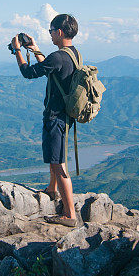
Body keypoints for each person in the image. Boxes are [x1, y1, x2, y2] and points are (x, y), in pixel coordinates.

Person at [11, 14, 80, 227]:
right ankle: (52, 189)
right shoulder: (72, 54)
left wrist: (17, 51)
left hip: (55, 116)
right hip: (63, 115)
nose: (50, 33)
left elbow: (28, 73)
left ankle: (69, 215)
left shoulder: (58, 56)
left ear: (59, 31)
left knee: (59, 164)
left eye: (51, 30)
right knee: (54, 156)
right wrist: (35, 48)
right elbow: (51, 69)